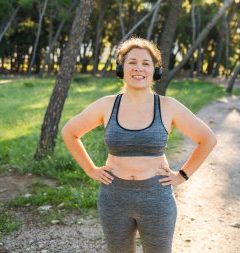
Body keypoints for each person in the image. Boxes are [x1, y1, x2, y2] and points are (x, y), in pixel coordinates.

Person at [61, 36, 217, 253]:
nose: (139, 68)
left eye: (146, 63)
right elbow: (70, 132)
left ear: (155, 71)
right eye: (132, 62)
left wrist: (182, 175)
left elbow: (207, 138)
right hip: (114, 197)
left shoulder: (167, 106)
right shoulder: (106, 105)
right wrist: (90, 169)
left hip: (156, 198)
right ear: (121, 68)